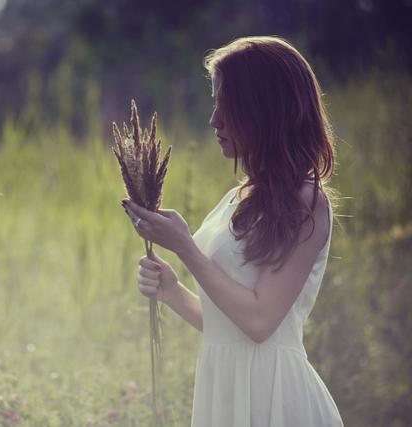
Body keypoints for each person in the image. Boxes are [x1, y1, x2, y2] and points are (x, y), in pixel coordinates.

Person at [122, 36, 344, 426]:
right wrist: (172, 290)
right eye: (215, 105)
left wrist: (186, 249)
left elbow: (259, 323)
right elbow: (227, 324)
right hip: (223, 390)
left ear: (265, 110)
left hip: (273, 397)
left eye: (228, 106)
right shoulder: (236, 199)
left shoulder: (307, 202)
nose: (214, 121)